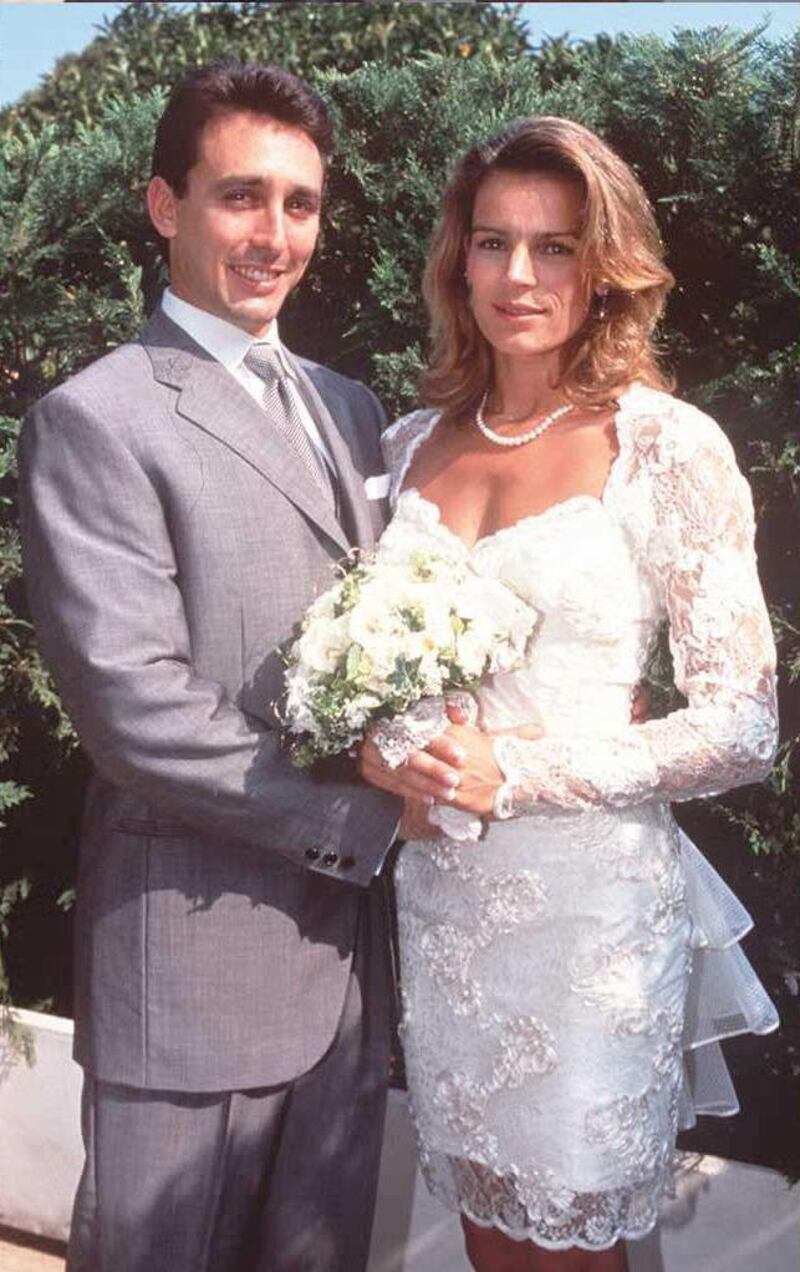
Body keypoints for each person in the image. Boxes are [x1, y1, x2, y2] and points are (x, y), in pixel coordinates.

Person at [360, 115, 779, 1271]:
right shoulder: (405, 445)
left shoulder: (662, 445)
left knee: (570, 1239)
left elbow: (742, 724)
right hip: (444, 906)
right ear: (458, 263)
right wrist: (376, 750)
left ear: (605, 267)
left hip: (587, 917)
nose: (517, 277)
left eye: (553, 248)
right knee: (491, 1230)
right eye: (491, 244)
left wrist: (520, 772)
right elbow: (363, 666)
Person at [18, 62, 405, 1272]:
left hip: (343, 985)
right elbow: (133, 704)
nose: (273, 235)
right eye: (240, 197)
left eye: (299, 204)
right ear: (161, 204)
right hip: (188, 974)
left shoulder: (353, 408)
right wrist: (369, 818)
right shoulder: (99, 418)